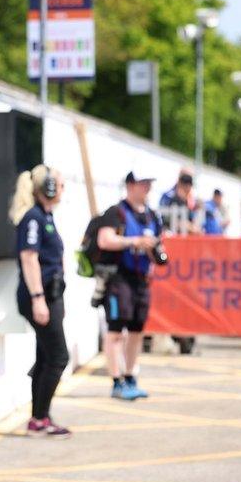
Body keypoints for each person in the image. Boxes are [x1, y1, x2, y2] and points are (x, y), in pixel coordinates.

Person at [11, 165, 72, 438]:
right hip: (41, 295)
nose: (62, 189)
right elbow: (29, 258)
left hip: (51, 295)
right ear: (47, 187)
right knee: (59, 357)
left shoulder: (45, 216)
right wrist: (38, 299)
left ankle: (38, 419)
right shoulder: (33, 218)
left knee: (46, 355)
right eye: (58, 184)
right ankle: (40, 418)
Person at [97, 172, 164, 401]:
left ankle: (130, 376)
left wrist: (154, 251)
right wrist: (134, 242)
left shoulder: (153, 216)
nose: (147, 188)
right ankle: (117, 382)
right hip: (119, 279)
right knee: (116, 331)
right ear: (130, 185)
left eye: (149, 183)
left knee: (136, 331)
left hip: (142, 279)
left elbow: (159, 248)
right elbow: (104, 240)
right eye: (143, 183)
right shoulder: (116, 213)